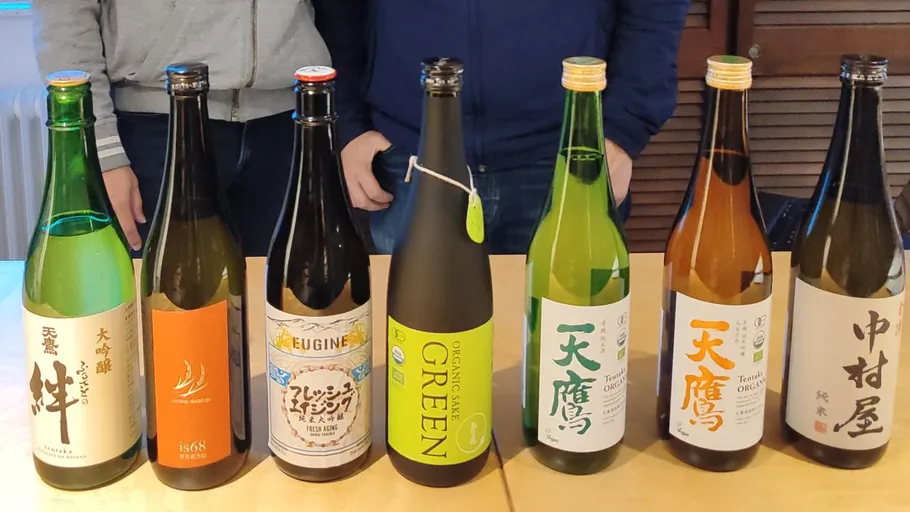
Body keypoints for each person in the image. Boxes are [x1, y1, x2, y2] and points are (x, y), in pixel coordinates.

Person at [332, 1, 690, 254]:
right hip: (412, 159)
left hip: (564, 158)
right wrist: (348, 126)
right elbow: (337, 13)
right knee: (424, 347)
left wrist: (621, 131)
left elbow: (655, 12)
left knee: (565, 340)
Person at [31, 1, 358, 257]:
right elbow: (64, 14)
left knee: (284, 314)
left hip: (286, 125)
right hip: (155, 132)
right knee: (164, 317)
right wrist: (101, 150)